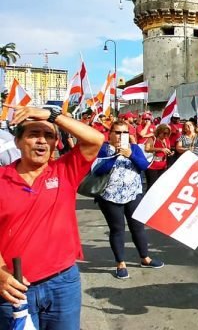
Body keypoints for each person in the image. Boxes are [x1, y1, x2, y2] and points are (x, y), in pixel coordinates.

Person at [0, 105, 104, 330]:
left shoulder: (65, 171)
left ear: (55, 144)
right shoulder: (1, 178)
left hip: (63, 284)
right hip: (14, 287)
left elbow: (96, 139)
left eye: (48, 136)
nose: (41, 141)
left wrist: (52, 116)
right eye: (33, 134)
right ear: (17, 142)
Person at [94, 121, 163, 279]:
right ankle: (120, 263)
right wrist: (115, 155)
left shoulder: (134, 148)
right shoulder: (103, 149)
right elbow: (98, 170)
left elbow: (144, 166)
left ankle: (145, 258)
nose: (121, 136)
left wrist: (130, 155)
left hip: (133, 194)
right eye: (117, 132)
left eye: (124, 132)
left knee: (138, 227)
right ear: (110, 134)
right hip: (110, 197)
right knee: (117, 229)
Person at [143, 124, 172, 189]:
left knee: (161, 186)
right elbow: (147, 148)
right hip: (152, 166)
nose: (166, 135)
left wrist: (170, 153)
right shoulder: (153, 138)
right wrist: (161, 149)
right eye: (164, 133)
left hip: (163, 166)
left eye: (168, 133)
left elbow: (167, 149)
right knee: (152, 186)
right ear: (159, 131)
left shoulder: (166, 139)